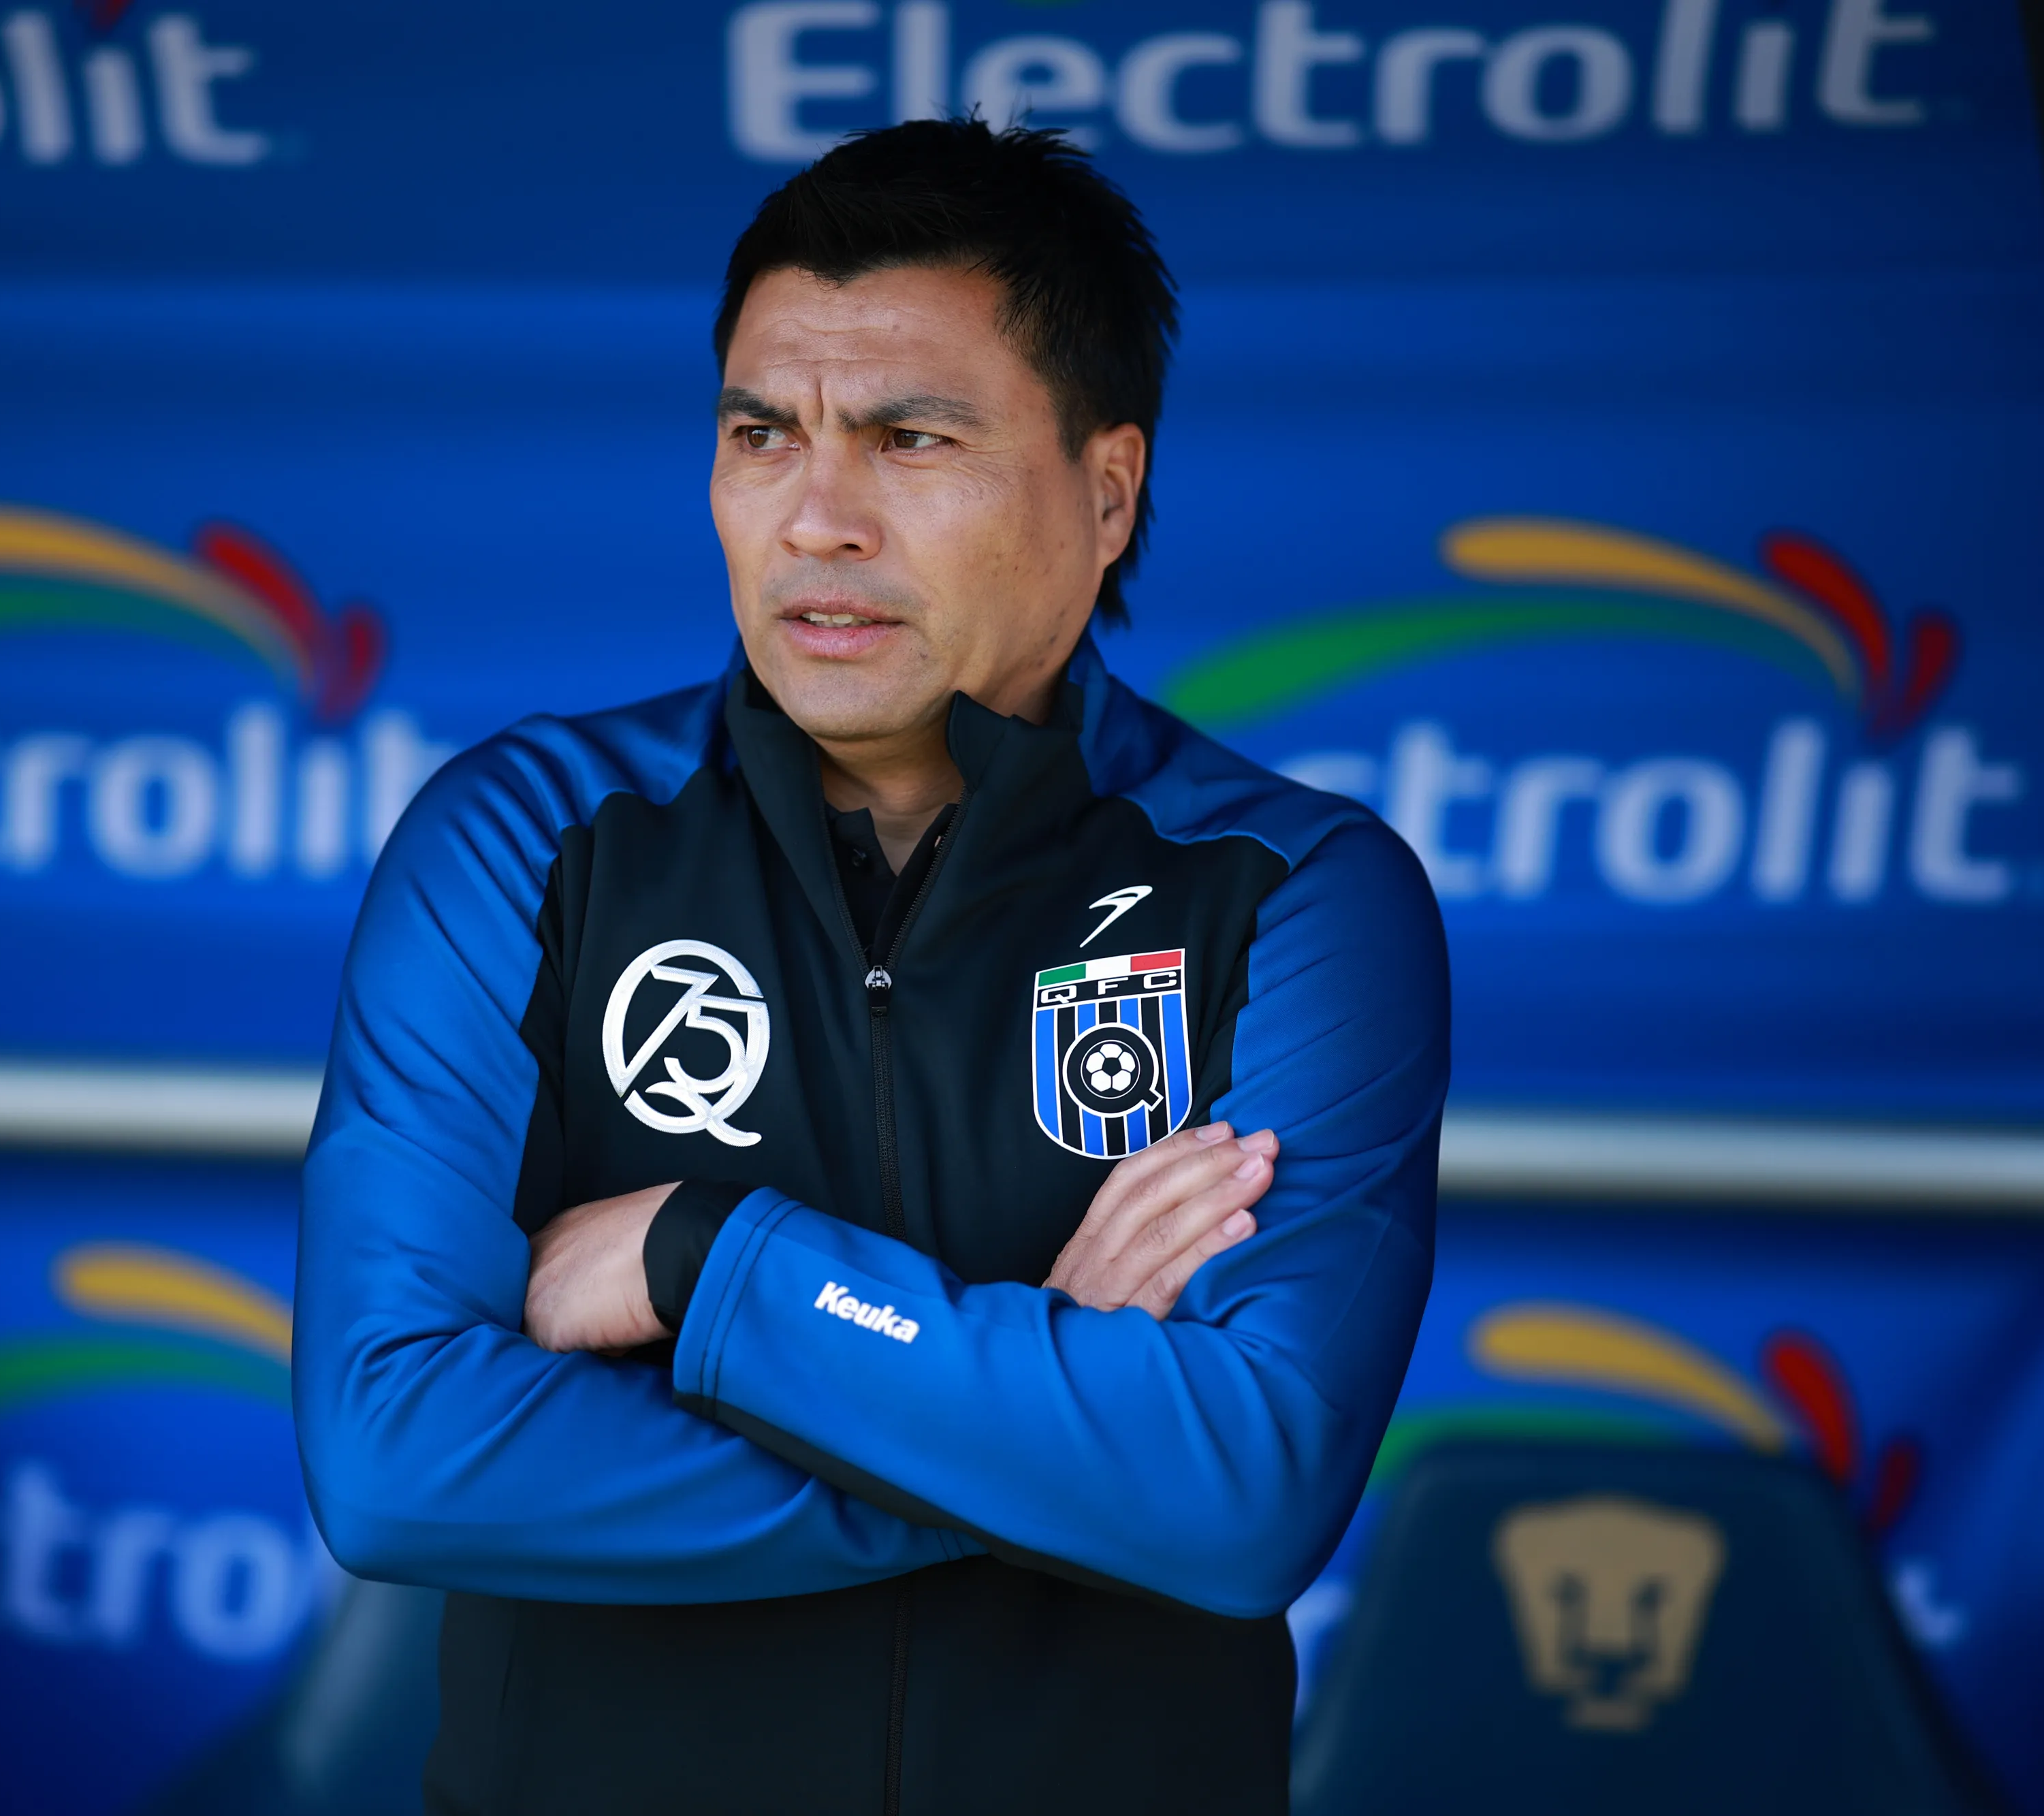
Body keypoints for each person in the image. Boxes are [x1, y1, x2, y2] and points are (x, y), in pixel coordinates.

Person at [293, 120, 1448, 1815]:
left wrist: (711, 1263)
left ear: (1106, 489)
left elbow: (1237, 1496)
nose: (817, 518)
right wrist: (1040, 1396)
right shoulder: (522, 840)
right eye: (763, 433)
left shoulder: (1292, 893)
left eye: (912, 436)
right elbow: (397, 1458)